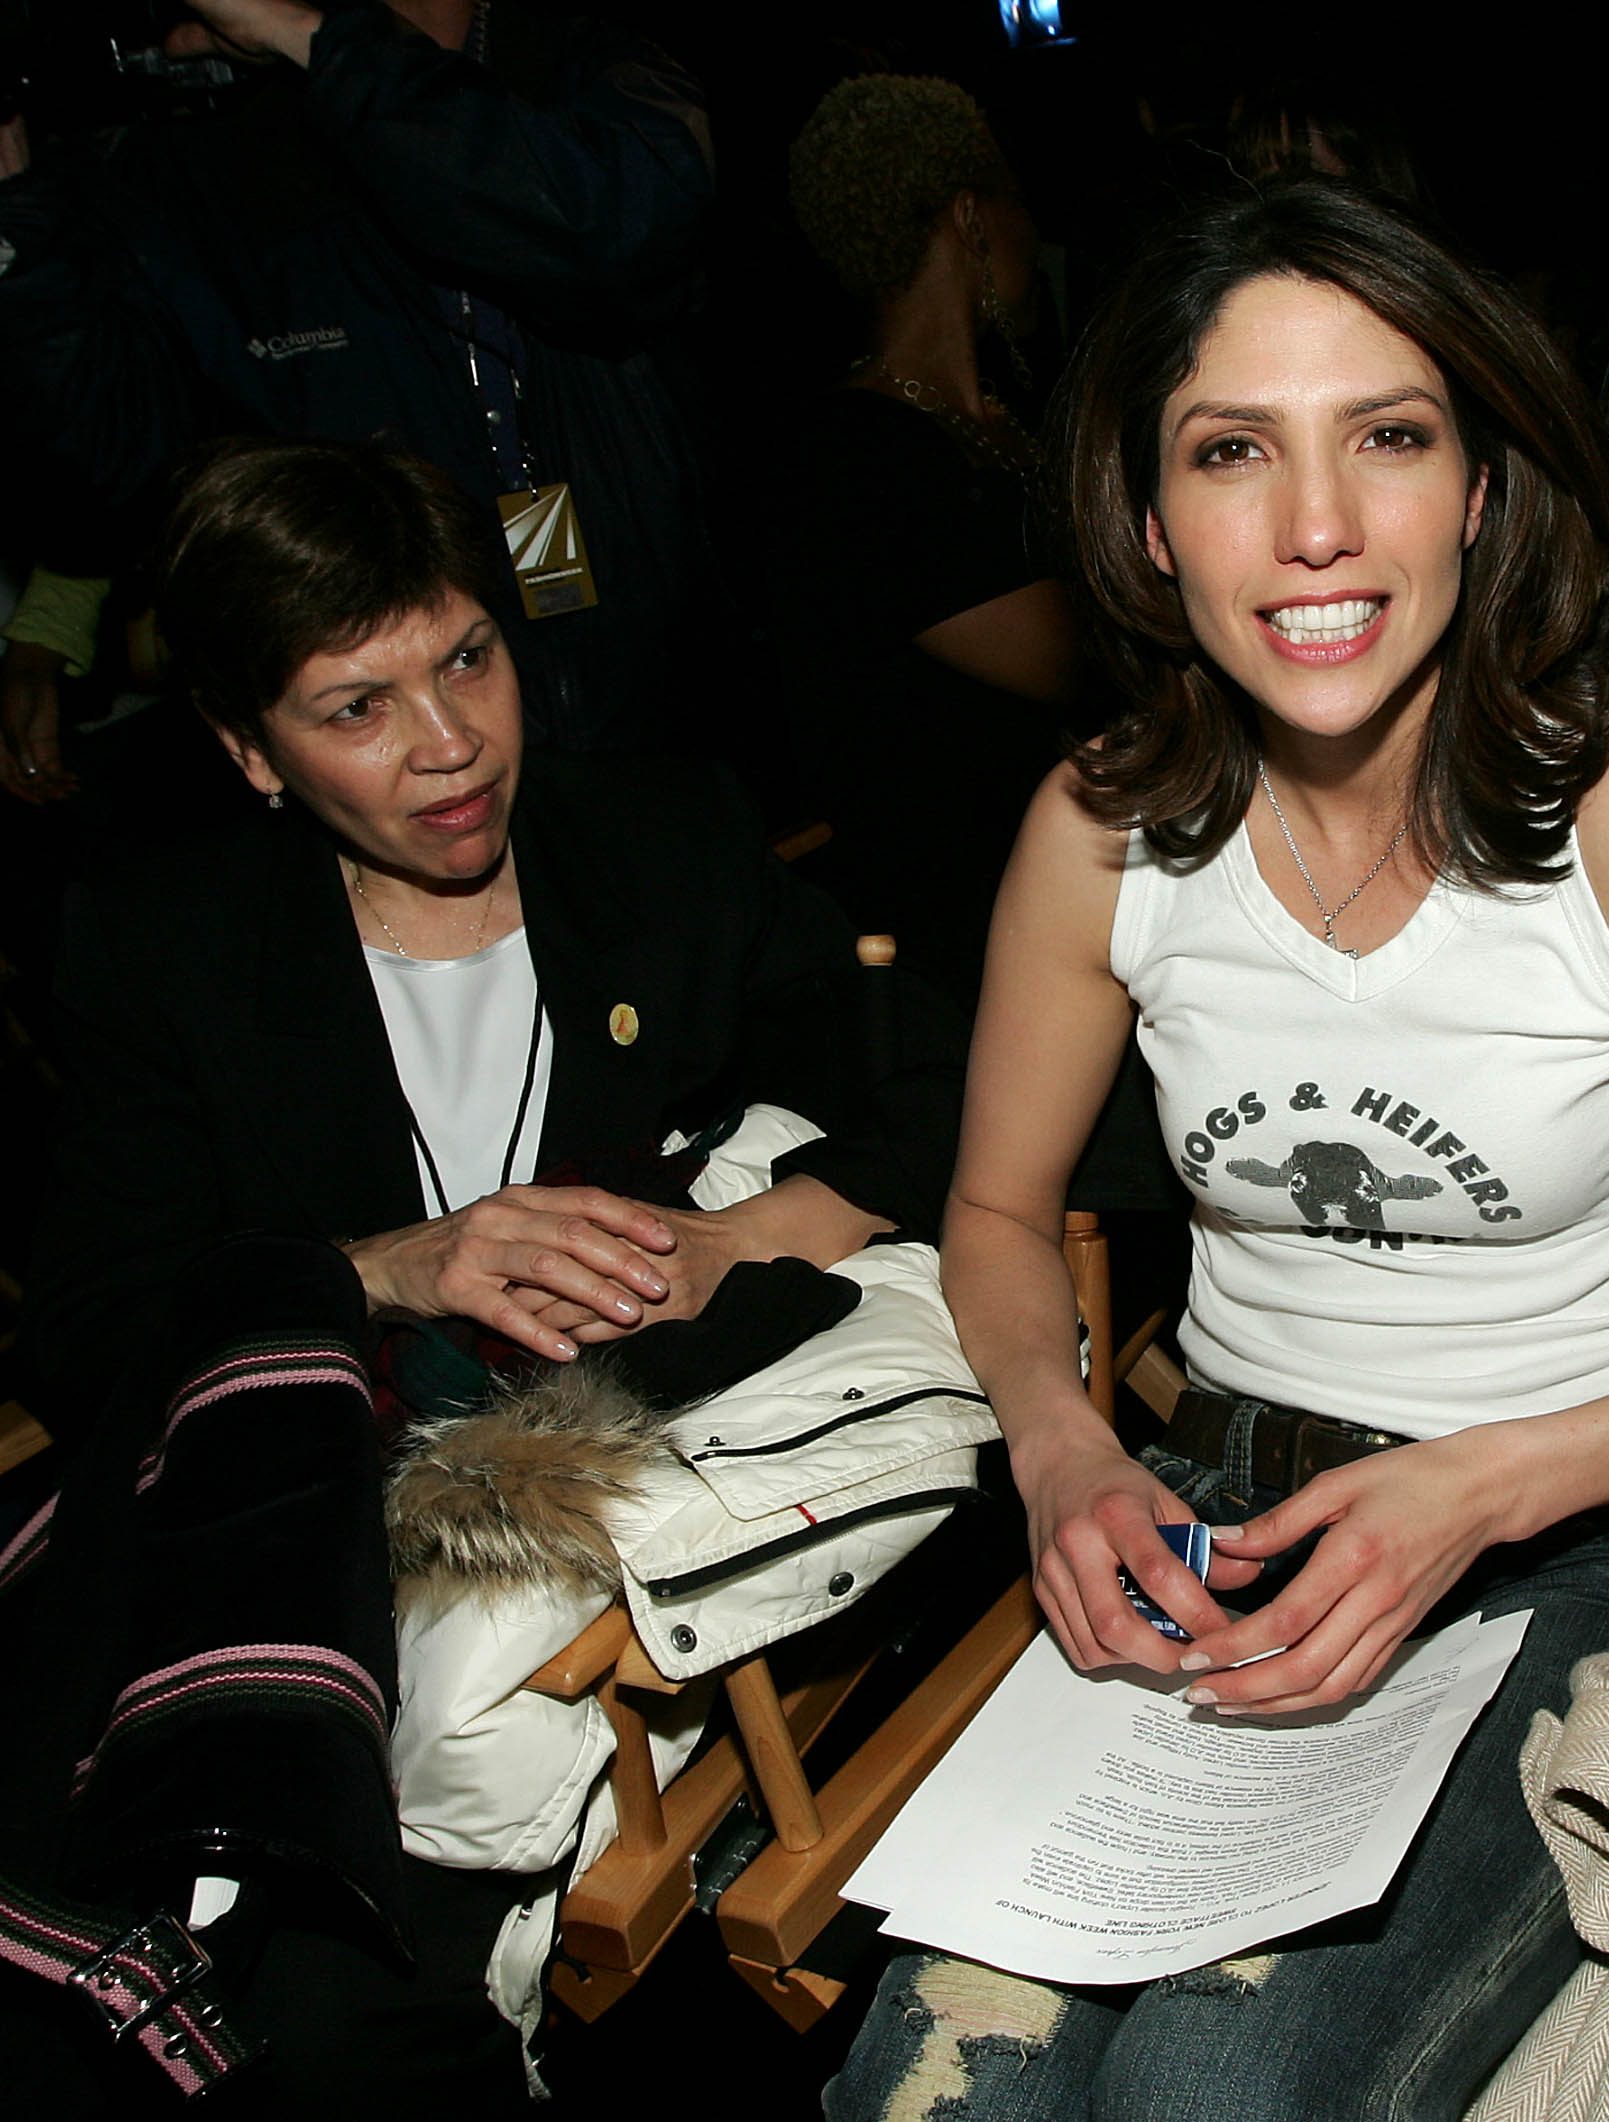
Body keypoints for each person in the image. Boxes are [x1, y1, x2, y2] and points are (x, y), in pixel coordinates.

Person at [820, 179, 1609, 2122]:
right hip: (1219, 1515)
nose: (1316, 525)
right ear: (1148, 518)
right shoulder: (1104, 829)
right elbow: (1000, 1218)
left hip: (1576, 1525)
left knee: (1232, 2113)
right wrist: (1062, 1444)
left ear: (1477, 486)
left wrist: (1485, 1479)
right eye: (1230, 452)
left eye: (1387, 433)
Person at [25, 436, 960, 1448]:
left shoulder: (660, 841)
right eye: (358, 707)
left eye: (466, 659)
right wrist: (380, 1270)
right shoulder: (167, 947)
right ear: (252, 748)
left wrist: (741, 1237)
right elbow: (93, 1335)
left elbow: (948, 1082)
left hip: (721, 1469)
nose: (450, 741)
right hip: (366, 1520)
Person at [0, 0, 720, 754]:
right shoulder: (215, 150)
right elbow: (104, 484)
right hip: (393, 745)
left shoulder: (590, 64)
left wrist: (320, 42)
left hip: (669, 719)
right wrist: (17, 202)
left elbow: (609, 236)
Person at [782, 74, 1087, 1006]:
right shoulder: (855, 453)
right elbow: (1066, 655)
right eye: (1018, 202)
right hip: (953, 935)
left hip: (1059, 882)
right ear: (968, 216)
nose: (1034, 233)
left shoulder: (1004, 419)